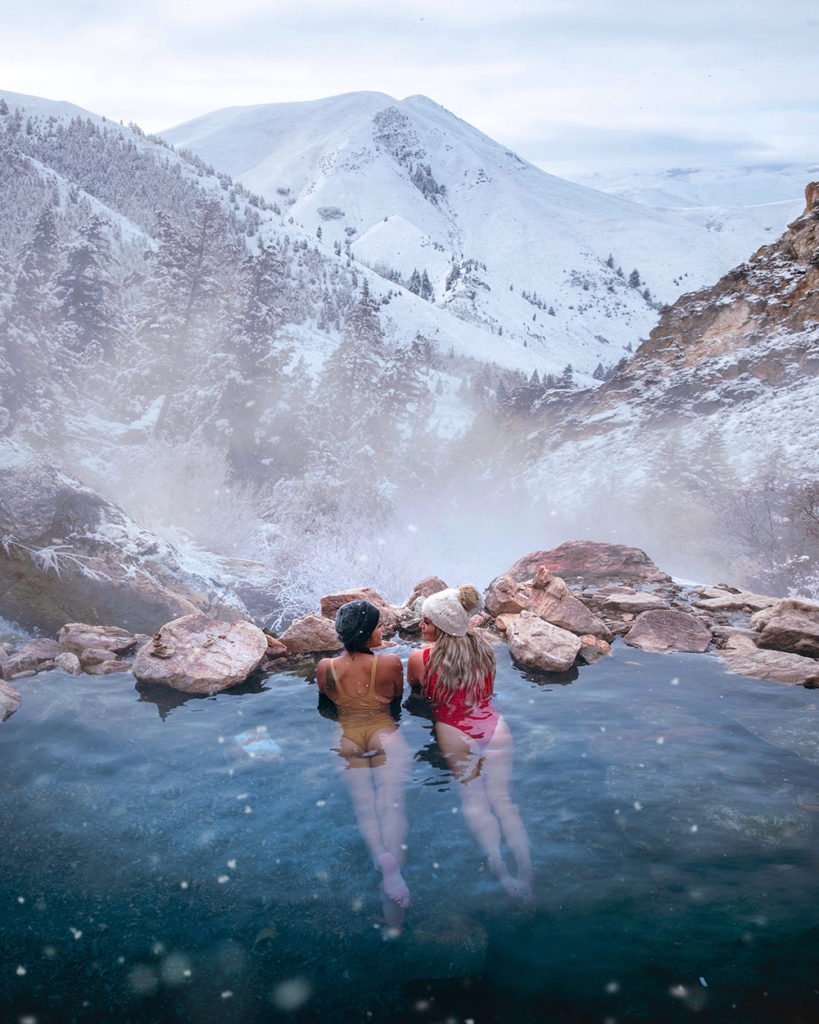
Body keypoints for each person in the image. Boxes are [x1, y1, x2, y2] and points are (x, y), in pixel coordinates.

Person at [408, 586, 533, 904]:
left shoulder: (421, 658)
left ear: (441, 626)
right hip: (496, 728)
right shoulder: (486, 651)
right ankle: (528, 876)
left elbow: (417, 697)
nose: (420, 625)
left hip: (455, 732)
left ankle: (504, 876)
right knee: (504, 802)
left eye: (426, 621)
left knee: (476, 801)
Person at [316, 599, 410, 925]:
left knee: (364, 806)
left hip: (347, 738)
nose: (383, 630)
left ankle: (379, 857)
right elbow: (397, 704)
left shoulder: (325, 667)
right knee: (390, 802)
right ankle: (393, 875)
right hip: (385, 735)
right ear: (369, 633)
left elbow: (326, 709)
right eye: (379, 626)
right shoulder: (390, 663)